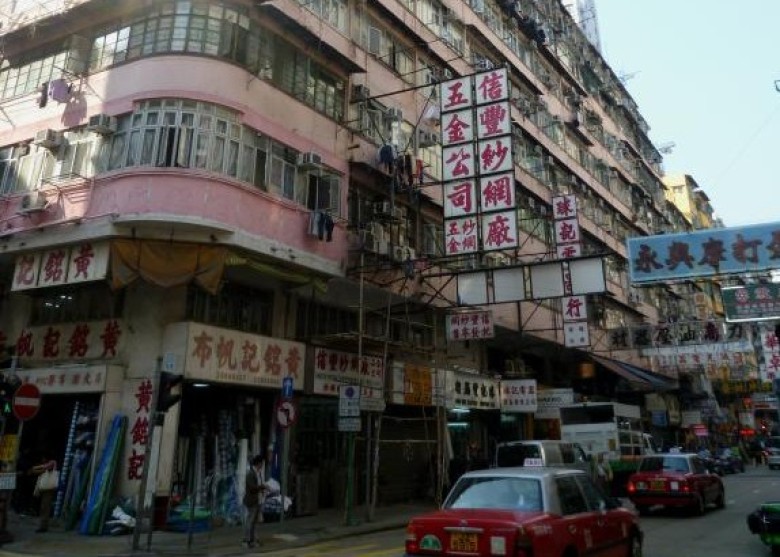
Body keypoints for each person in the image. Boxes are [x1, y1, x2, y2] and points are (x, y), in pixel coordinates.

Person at [242, 455, 268, 548]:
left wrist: (263, 489)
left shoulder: (258, 473)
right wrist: (263, 487)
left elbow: (258, 485)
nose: (262, 465)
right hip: (252, 501)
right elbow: (252, 488)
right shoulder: (251, 474)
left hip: (258, 500)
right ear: (258, 463)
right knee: (250, 521)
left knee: (254, 522)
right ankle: (246, 540)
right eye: (261, 463)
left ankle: (253, 540)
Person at [30, 456, 58, 533]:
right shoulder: (51, 464)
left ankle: (43, 526)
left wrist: (35, 468)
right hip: (46, 489)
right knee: (44, 507)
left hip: (48, 489)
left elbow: (42, 469)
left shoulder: (52, 463)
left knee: (45, 507)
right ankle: (43, 525)